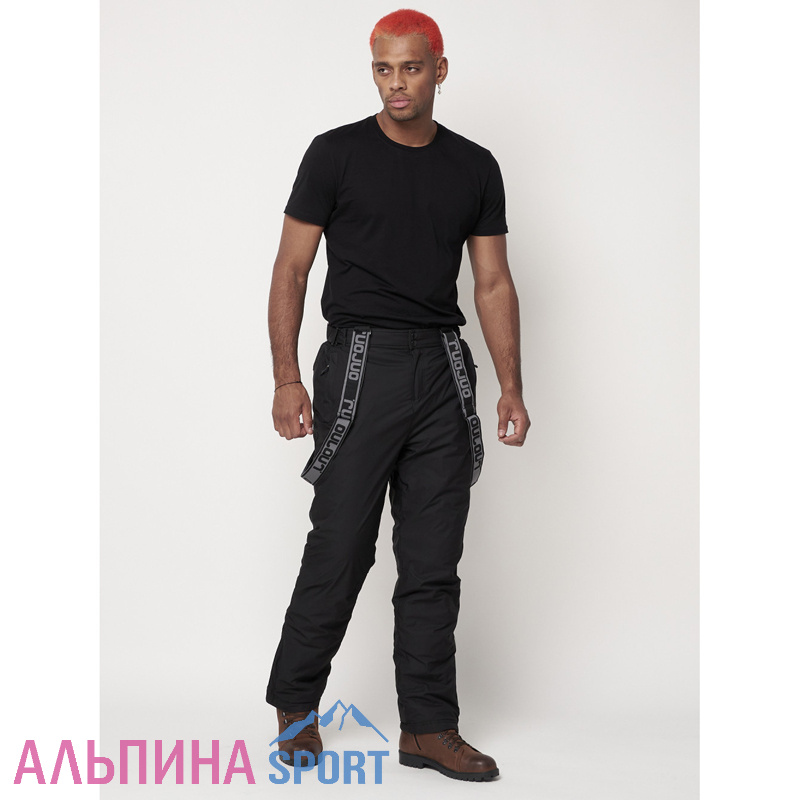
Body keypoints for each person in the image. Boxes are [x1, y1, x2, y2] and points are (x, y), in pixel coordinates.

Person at [265, 8, 530, 783]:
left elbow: (492, 281)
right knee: (341, 545)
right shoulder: (335, 154)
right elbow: (290, 269)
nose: (396, 84)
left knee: (433, 559)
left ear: (438, 69)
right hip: (360, 363)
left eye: (411, 68)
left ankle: (428, 727)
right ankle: (295, 709)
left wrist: (511, 386)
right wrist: (286, 377)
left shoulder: (475, 166)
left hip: (444, 368)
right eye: (383, 69)